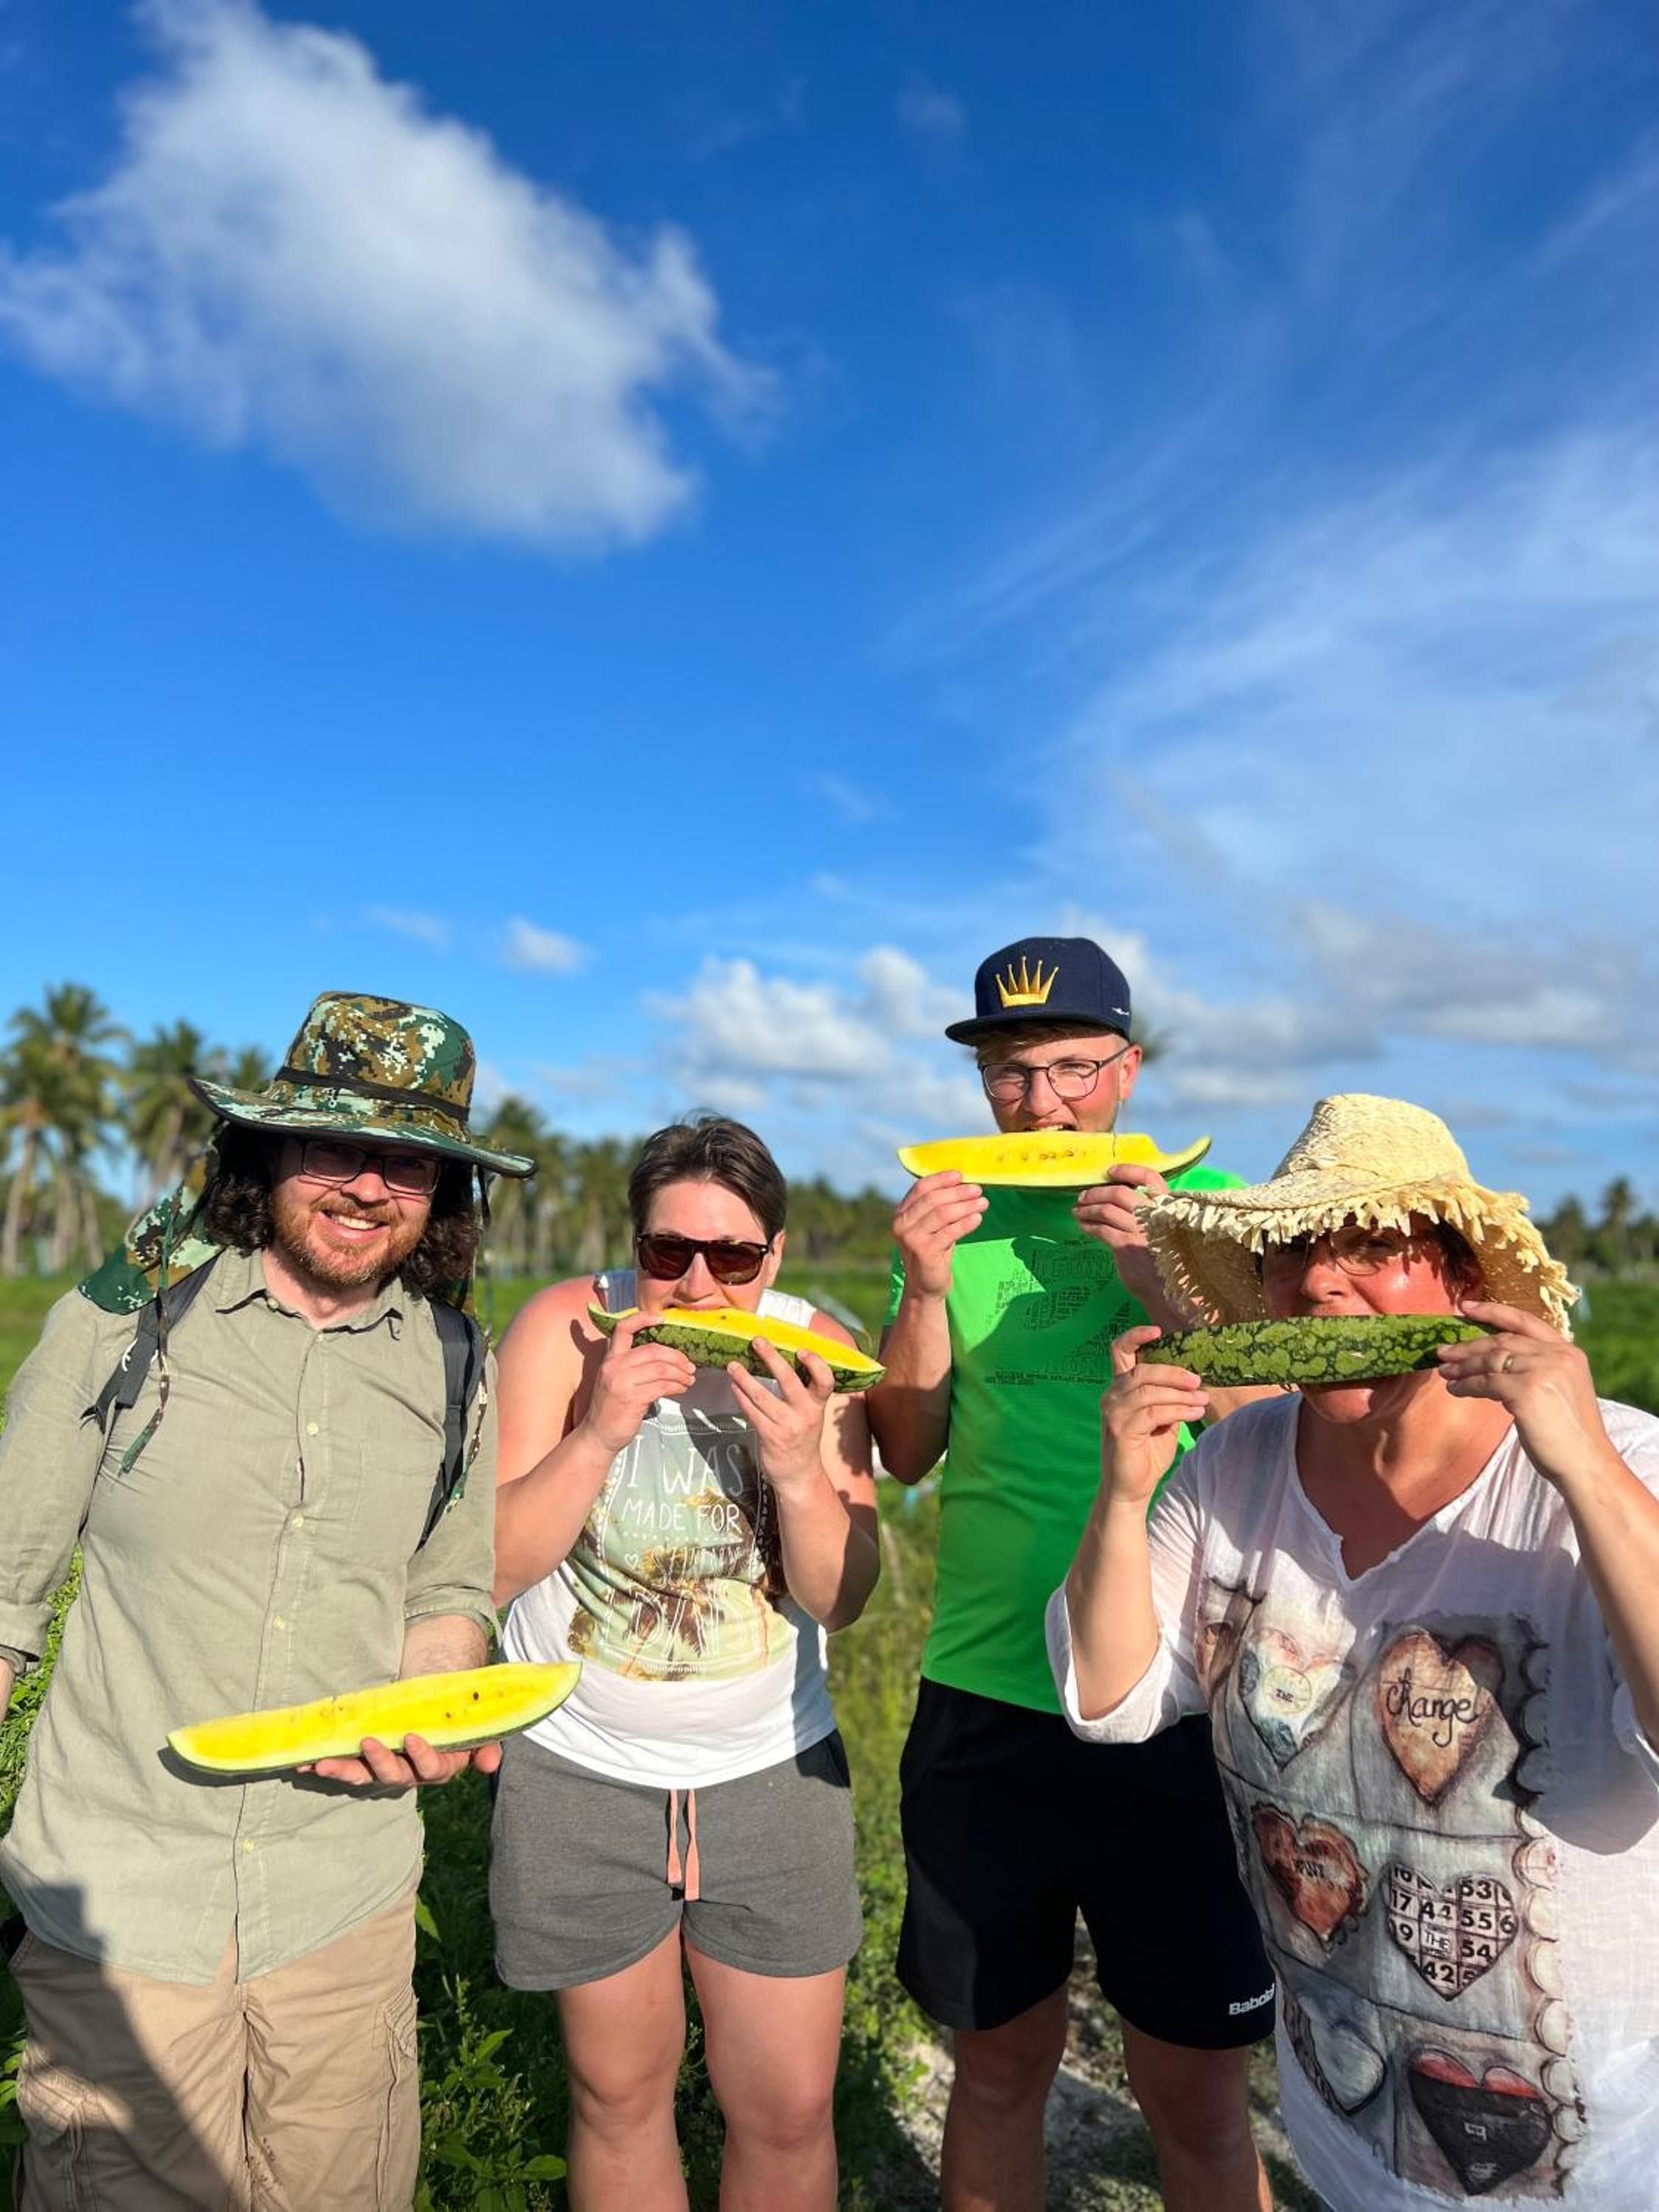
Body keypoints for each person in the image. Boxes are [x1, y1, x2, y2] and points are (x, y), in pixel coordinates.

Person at [1054, 1092, 1659, 2211]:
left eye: (1372, 1248)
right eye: (1291, 1254)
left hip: (1598, 2165)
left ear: (1463, 1282)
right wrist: (1122, 1494)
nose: (1321, 1285)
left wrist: (1582, 1466)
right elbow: (1109, 1695)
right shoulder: (1232, 1465)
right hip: (1347, 2121)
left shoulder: (1617, 1462)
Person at [0, 991, 535, 2212]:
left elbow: (446, 1587)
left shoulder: (453, 1363)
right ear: (270, 1150)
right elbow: (3, 1593)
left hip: (340, 1898)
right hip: (121, 1899)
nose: (368, 1186)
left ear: (445, 1189)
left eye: (408, 1161)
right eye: (334, 1145)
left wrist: (433, 1692)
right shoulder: (124, 1323)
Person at [868, 935, 1278, 2212]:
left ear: (1128, 1068)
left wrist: (1165, 1281)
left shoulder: (1220, 1210)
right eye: (1008, 1073)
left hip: (1186, 1702)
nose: (1039, 1105)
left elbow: (1279, 1427)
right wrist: (923, 1289)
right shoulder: (953, 1220)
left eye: (1070, 1070)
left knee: (1197, 2096)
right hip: (986, 1693)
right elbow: (906, 1448)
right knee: (996, 2071)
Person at [489, 1113, 877, 2212]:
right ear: (635, 1247)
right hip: (579, 1770)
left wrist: (798, 1466)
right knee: (615, 2096)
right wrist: (599, 1430)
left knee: (789, 2107)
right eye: (669, 1252)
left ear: (776, 1257)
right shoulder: (562, 1330)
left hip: (772, 1771)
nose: (698, 1287)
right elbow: (496, 1565)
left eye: (734, 1258)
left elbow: (842, 1599)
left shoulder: (821, 1350)